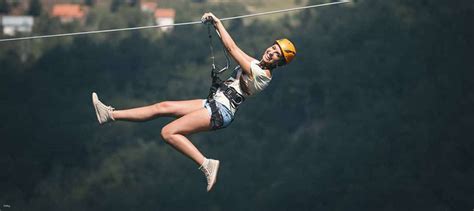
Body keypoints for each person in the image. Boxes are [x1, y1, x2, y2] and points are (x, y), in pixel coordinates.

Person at [92, 12, 296, 192]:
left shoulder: (263, 75)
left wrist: (217, 22)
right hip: (213, 103)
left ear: (279, 63)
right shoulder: (255, 63)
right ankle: (109, 115)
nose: (271, 52)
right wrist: (215, 26)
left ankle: (206, 164)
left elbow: (233, 50)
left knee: (168, 132)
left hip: (221, 111)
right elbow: (235, 50)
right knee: (162, 107)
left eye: (277, 54)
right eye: (273, 47)